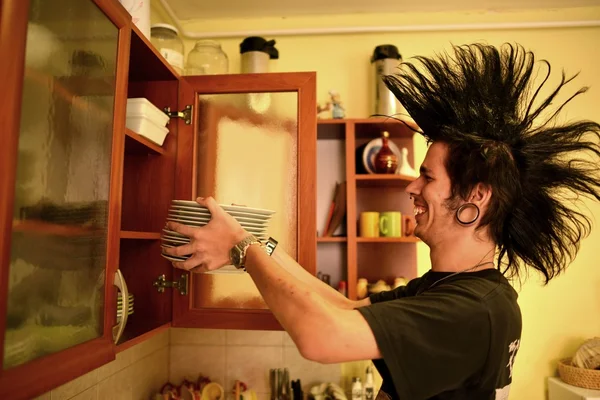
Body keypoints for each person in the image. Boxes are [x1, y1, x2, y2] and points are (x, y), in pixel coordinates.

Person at [164, 43, 600, 400]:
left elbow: (321, 336)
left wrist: (243, 248)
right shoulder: (449, 288)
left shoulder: (475, 310)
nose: (411, 188)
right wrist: (260, 245)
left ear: (475, 198)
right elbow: (344, 309)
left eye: (427, 176)